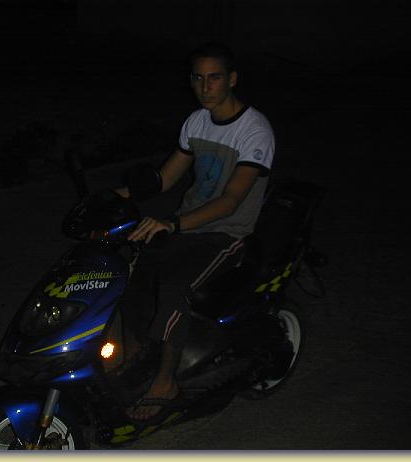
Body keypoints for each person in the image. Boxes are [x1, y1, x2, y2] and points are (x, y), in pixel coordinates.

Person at [115, 42, 275, 421]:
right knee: (131, 269)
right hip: (187, 224)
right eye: (198, 78)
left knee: (176, 290)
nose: (206, 87)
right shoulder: (197, 122)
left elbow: (231, 201)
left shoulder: (255, 130)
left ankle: (165, 382)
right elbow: (166, 178)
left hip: (227, 234)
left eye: (214, 78)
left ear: (232, 79)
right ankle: (134, 350)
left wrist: (172, 224)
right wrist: (113, 197)